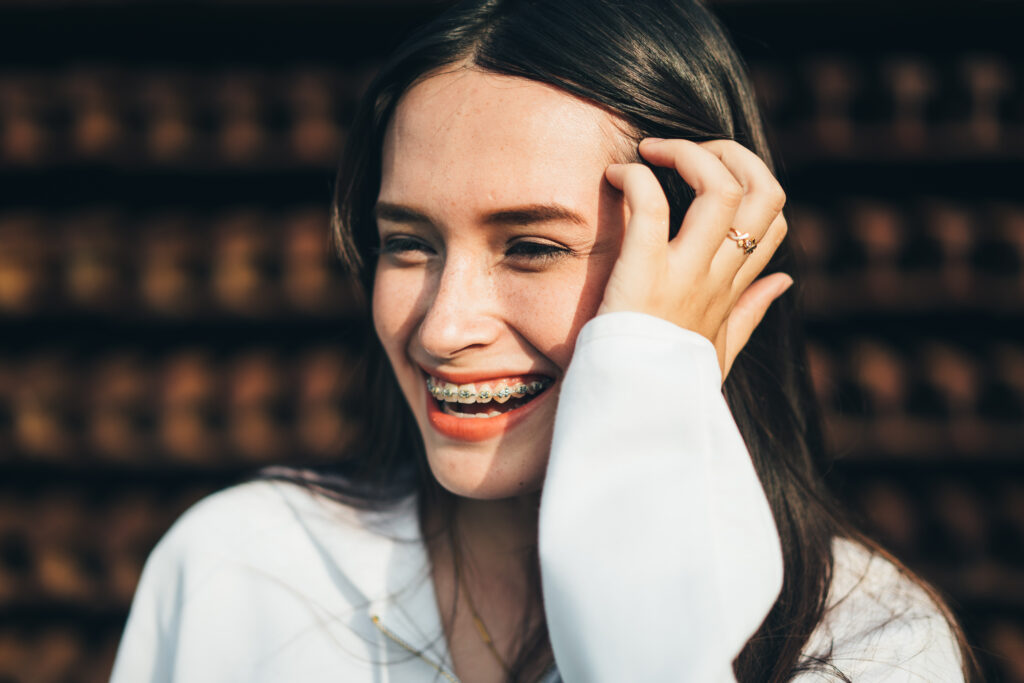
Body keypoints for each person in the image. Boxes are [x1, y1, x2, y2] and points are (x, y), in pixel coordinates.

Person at [109, 0, 979, 681]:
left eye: (532, 248)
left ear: (698, 259)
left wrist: (644, 390)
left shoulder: (868, 639)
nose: (445, 327)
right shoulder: (239, 569)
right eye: (408, 243)